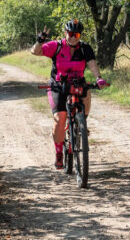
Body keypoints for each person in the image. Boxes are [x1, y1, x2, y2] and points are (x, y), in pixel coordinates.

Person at [31, 19, 109, 169]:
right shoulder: (57, 46)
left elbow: (92, 63)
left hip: (77, 82)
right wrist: (40, 41)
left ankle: (81, 123)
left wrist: (98, 78)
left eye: (77, 34)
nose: (73, 37)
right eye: (70, 33)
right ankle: (59, 153)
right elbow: (35, 52)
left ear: (80, 35)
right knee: (60, 117)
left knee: (87, 92)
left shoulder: (85, 48)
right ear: (65, 32)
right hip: (58, 85)